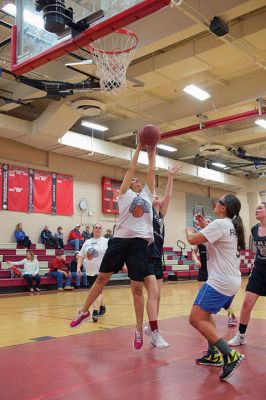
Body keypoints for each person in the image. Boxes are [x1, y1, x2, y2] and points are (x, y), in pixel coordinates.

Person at [70, 140, 168, 349]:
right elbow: (131, 168)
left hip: (139, 245)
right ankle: (84, 311)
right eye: (132, 180)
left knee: (137, 289)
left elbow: (151, 170)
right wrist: (139, 147)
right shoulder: (123, 196)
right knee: (101, 278)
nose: (136, 180)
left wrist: (152, 152)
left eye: (138, 180)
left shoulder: (148, 196)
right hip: (119, 241)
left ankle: (139, 330)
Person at [186, 194, 246, 381]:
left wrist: (188, 230)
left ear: (225, 207)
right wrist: (205, 225)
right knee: (205, 315)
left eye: (219, 202)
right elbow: (213, 239)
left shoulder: (221, 224)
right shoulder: (229, 225)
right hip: (230, 280)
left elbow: (193, 240)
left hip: (219, 281)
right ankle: (213, 354)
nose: (216, 203)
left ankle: (230, 354)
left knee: (195, 318)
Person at [143, 163, 182, 344]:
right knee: (153, 294)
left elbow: (169, 195)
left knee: (158, 295)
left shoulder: (161, 215)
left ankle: (152, 329)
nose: (157, 197)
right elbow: (151, 192)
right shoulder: (148, 212)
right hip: (146, 256)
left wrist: (171, 176)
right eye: (153, 197)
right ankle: (155, 330)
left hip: (158, 257)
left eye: (157, 197)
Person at [229, 202, 266, 347]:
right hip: (259, 269)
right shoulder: (254, 229)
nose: (257, 210)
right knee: (246, 303)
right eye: (255, 208)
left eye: (260, 208)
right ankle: (241, 335)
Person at [191, 216, 238, 327]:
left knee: (226, 300)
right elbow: (193, 252)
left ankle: (231, 315)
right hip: (204, 269)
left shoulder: (217, 235)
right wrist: (196, 259)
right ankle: (206, 320)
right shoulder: (200, 237)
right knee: (203, 296)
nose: (206, 223)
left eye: (209, 222)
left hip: (217, 270)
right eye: (205, 221)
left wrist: (189, 231)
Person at [78, 223, 108, 322]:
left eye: (99, 227)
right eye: (96, 227)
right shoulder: (87, 242)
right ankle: (102, 307)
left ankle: (95, 312)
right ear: (93, 230)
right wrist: (78, 267)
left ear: (101, 230)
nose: (97, 229)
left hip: (102, 271)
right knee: (97, 291)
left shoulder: (106, 241)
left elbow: (113, 254)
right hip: (89, 271)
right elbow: (81, 256)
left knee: (97, 291)